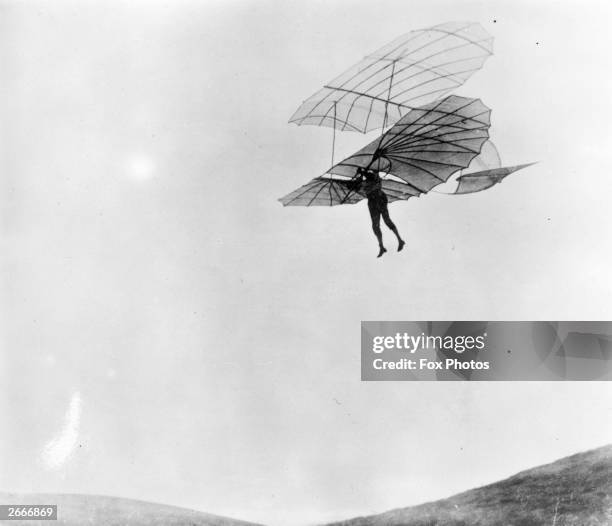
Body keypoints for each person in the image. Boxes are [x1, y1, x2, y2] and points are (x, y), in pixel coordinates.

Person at [351, 167, 405, 257]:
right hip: (372, 202)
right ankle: (381, 246)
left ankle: (400, 240)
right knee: (375, 226)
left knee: (387, 220)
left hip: (379, 198)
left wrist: (362, 172)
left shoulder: (374, 176)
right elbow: (357, 186)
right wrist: (359, 176)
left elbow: (371, 176)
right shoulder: (364, 182)